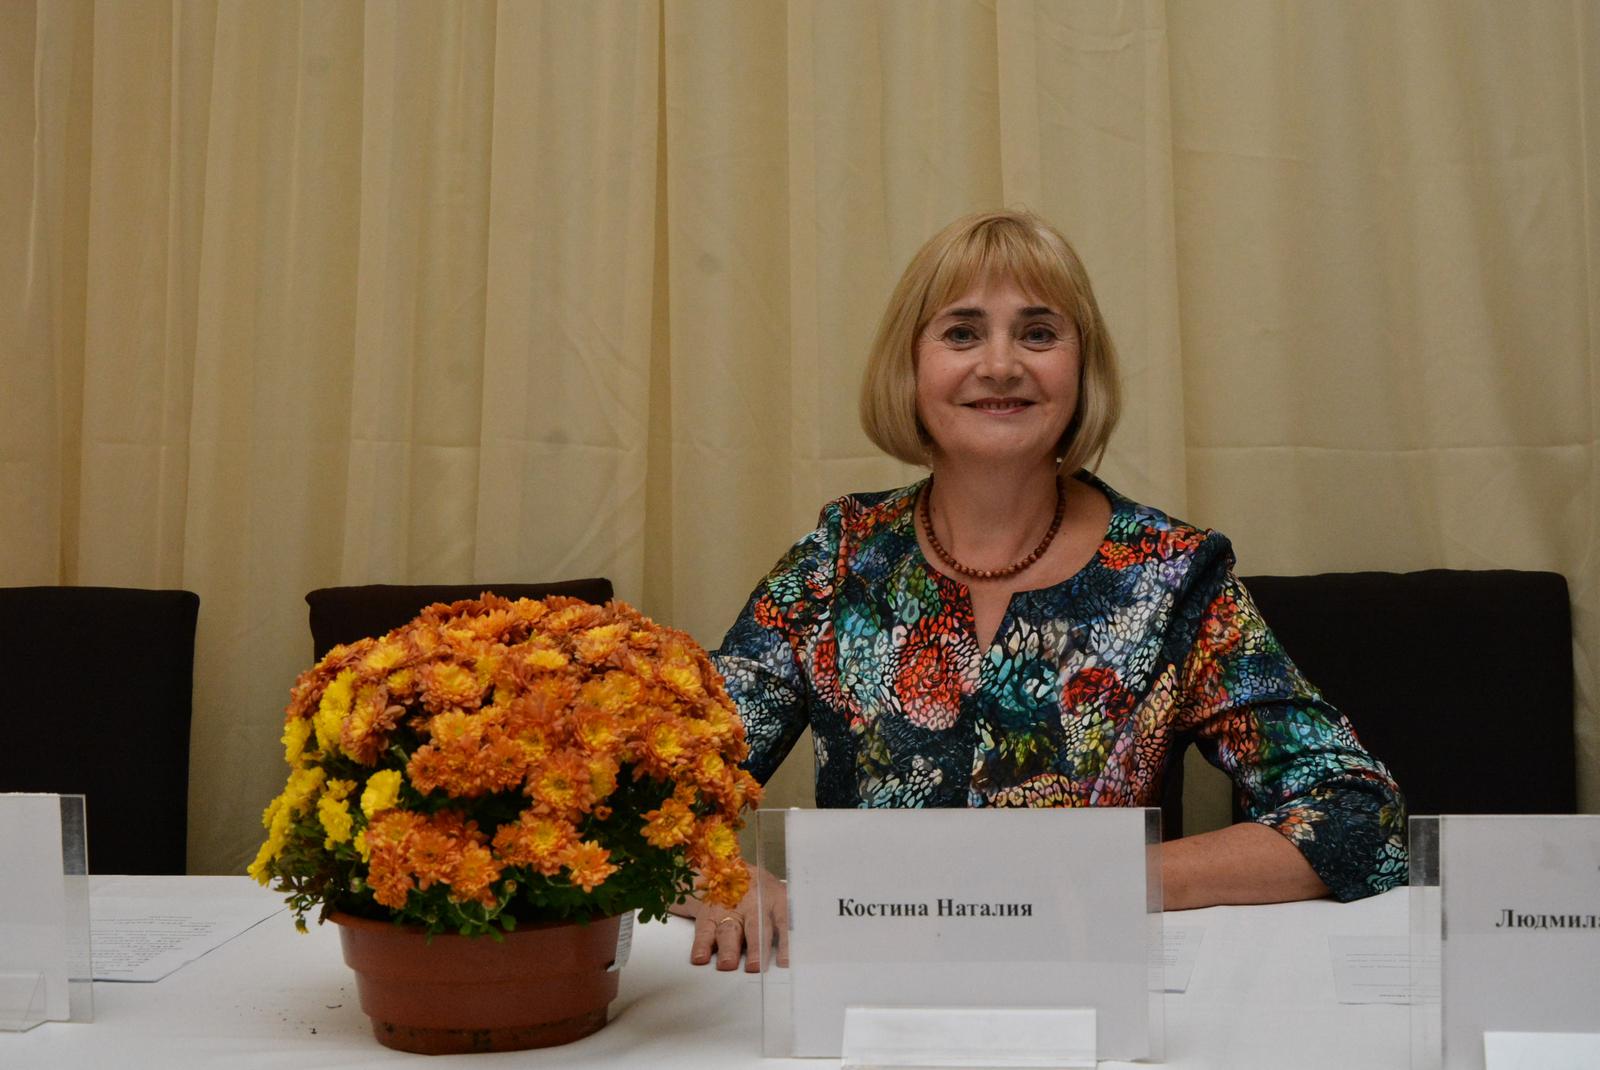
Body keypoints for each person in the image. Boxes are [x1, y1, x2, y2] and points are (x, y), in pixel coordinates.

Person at [677, 209, 1406, 970]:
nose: (1000, 365)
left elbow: (1359, 815)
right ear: (910, 367)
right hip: (870, 993)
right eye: (962, 333)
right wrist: (722, 878)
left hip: (1087, 988)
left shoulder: (1171, 573)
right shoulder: (837, 559)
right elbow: (647, 796)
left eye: (1038, 333)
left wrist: (1106, 879)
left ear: (1082, 368)